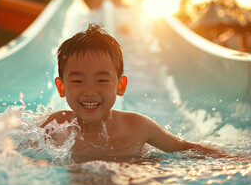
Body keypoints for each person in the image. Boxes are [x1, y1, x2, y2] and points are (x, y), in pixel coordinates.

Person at [41, 24, 228, 163]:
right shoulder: (56, 126)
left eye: (102, 80)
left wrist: (237, 159)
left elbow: (185, 149)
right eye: (77, 81)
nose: (90, 91)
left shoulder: (139, 127)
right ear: (61, 87)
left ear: (120, 85)